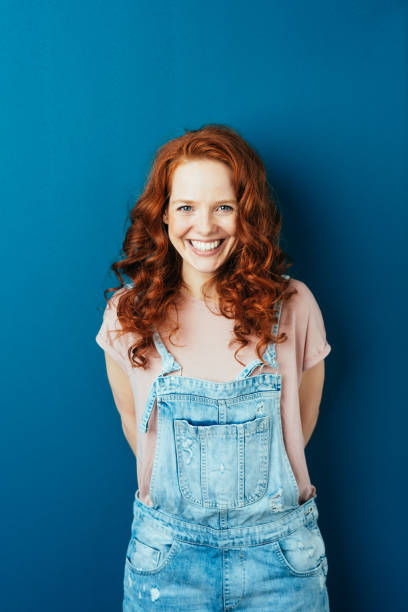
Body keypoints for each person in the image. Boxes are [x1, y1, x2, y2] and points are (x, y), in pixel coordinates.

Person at [95, 124, 332, 611]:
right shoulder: (127, 315)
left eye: (223, 207)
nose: (204, 227)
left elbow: (300, 426)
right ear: (162, 215)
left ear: (247, 213)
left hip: (283, 561)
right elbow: (133, 427)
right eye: (186, 207)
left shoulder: (294, 306)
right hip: (167, 561)